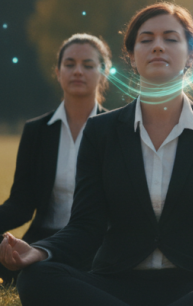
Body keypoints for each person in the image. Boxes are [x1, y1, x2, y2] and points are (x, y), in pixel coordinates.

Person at [0, 2, 193, 306]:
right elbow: (84, 226)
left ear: (190, 54)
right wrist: (38, 251)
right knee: (36, 277)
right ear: (132, 56)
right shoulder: (101, 131)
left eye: (170, 38)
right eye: (146, 39)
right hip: (116, 283)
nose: (158, 46)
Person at [0, 34, 112, 283]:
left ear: (104, 73)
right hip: (42, 241)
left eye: (88, 65)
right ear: (58, 72)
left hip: (96, 244)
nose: (78, 71)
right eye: (70, 64)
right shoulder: (36, 130)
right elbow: (21, 203)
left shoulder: (117, 130)